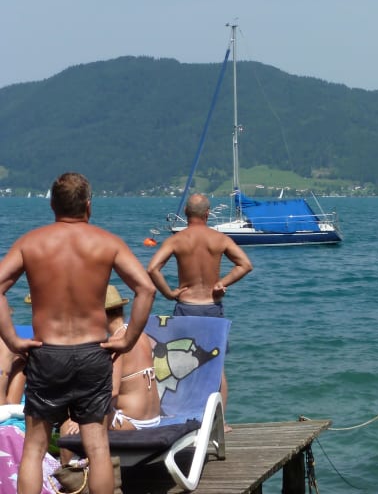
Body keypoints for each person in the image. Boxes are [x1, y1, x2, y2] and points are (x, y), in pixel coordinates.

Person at [0, 172, 156, 494]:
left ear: (52, 205)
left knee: (34, 448)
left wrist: (12, 338)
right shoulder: (107, 243)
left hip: (47, 352)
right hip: (92, 352)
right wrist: (127, 340)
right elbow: (146, 289)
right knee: (97, 447)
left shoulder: (31, 243)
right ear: (88, 206)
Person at [146, 193, 253, 422]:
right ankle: (220, 422)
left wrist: (169, 293)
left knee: (181, 364)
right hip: (212, 308)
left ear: (186, 212)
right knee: (216, 368)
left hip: (186, 308)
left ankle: (184, 418)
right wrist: (222, 283)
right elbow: (245, 264)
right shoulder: (220, 239)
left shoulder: (177, 240)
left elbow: (152, 268)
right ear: (208, 213)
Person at [59, 285, 161, 437]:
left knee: (67, 421)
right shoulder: (140, 335)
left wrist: (79, 419)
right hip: (153, 418)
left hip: (130, 421)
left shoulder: (116, 343)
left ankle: (70, 453)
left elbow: (112, 391)